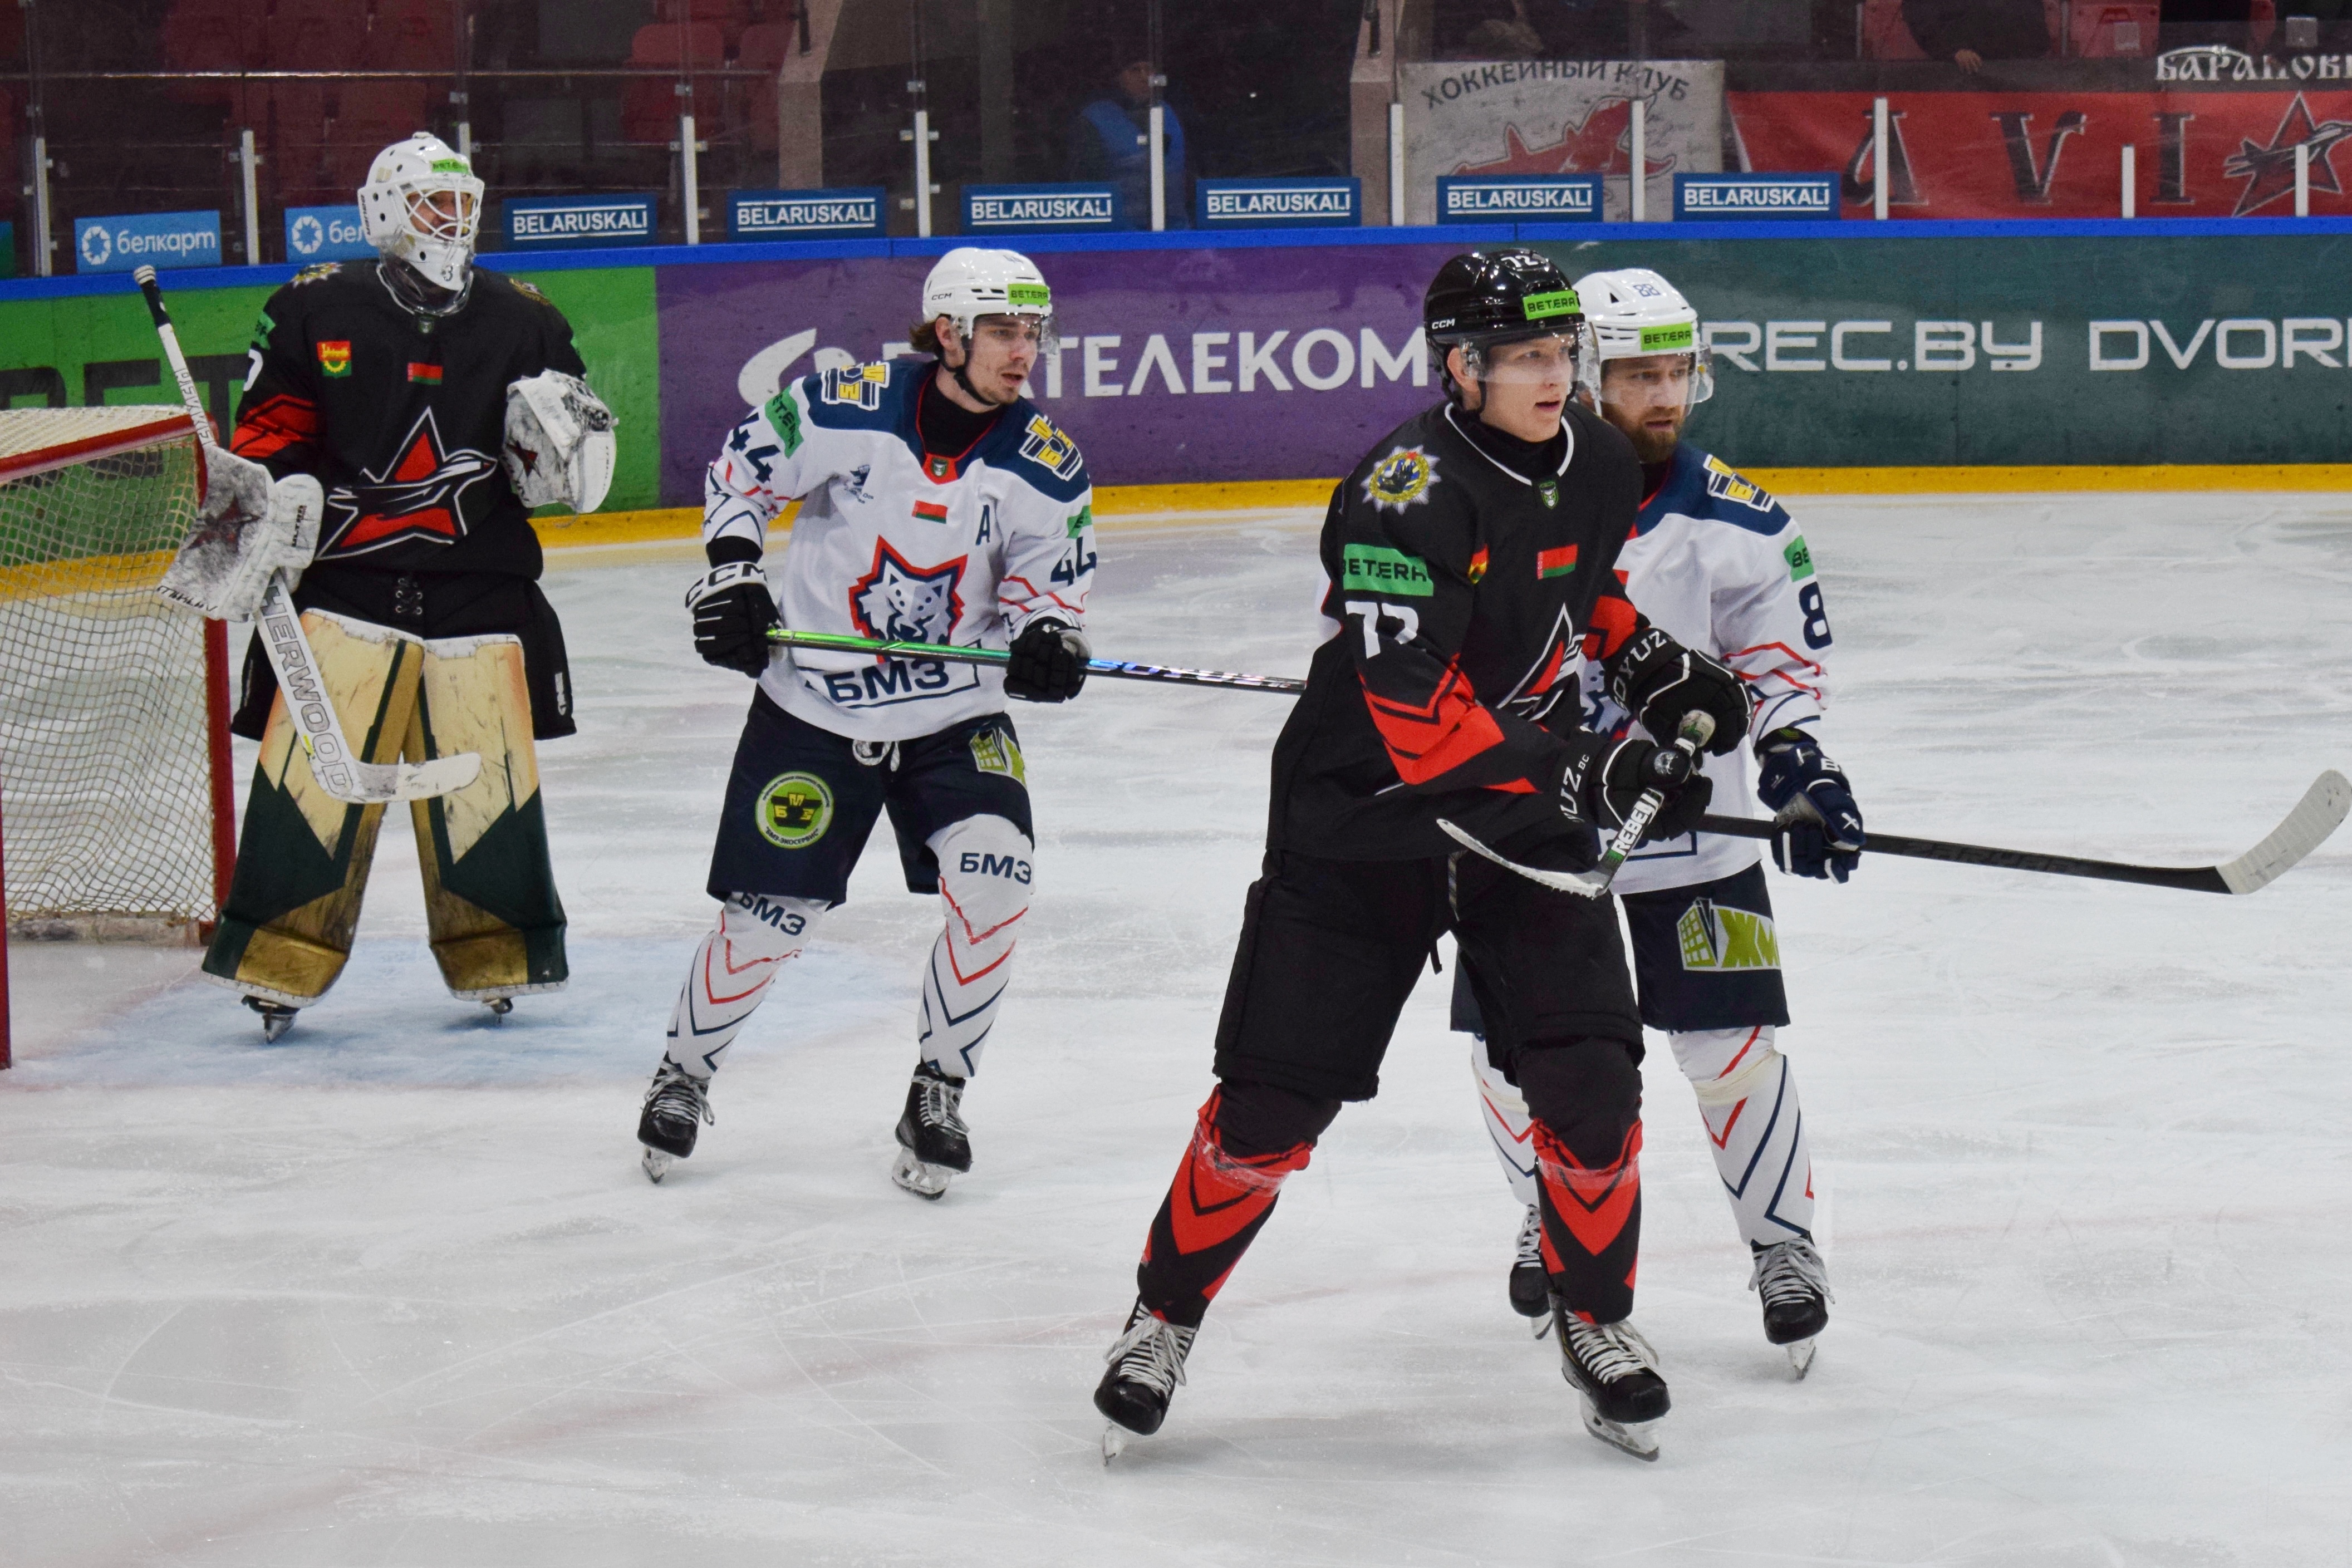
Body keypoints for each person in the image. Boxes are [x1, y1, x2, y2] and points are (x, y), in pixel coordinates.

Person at [1091, 249, 1750, 1464]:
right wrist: (1584, 770)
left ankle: (1595, 1315)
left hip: (1516, 825)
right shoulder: (1403, 492)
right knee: (1273, 1104)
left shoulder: (1599, 459)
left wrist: (1652, 663)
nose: (1555, 374)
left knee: (1592, 1084)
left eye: (1563, 353)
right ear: (1461, 366)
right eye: (1528, 356)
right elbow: (1419, 718)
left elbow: (1584, 591)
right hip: (1365, 821)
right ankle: (1162, 1317)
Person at [1461, 268, 1863, 1379]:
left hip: (1697, 842)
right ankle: (1548, 1210)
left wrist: (1799, 765)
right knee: (1510, 1054)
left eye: (1676, 370)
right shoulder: (1484, 499)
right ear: (1580, 373)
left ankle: (1783, 1247)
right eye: (1639, 373)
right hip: (1534, 838)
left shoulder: (1738, 519)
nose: (1665, 395)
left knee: (1731, 1048)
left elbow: (1781, 672)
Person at [633, 248, 1096, 1201]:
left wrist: (1048, 633)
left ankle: (939, 1092)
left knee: (996, 882)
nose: (1024, 353)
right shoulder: (845, 403)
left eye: (1033, 333)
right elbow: (742, 474)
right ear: (950, 333)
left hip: (954, 713)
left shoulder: (1047, 462)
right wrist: (734, 572)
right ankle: (684, 1072)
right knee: (767, 920)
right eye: (1004, 332)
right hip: (813, 703)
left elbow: (1046, 584)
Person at [194, 132, 612, 1041]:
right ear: (383, 209)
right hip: (347, 581)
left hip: (480, 581)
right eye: (432, 202)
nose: (452, 220)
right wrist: (281, 486)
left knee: (486, 780)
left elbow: (570, 437)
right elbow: (264, 434)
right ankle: (278, 957)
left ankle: (500, 950)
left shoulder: (525, 319)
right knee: (311, 782)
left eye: (463, 203)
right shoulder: (315, 307)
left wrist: (566, 451)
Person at [1066, 56, 1187, 229]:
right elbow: (1087, 188)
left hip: (1177, 231)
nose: (1145, 77)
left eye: (1149, 69)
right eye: (1135, 70)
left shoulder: (1172, 112)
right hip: (1118, 233)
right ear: (1118, 77)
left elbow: (1192, 175)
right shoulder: (1094, 119)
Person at [1899, 0, 2051, 70]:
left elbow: (2036, 29)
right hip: (1953, 75)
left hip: (2014, 73)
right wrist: (1953, 51)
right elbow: (1922, 20)